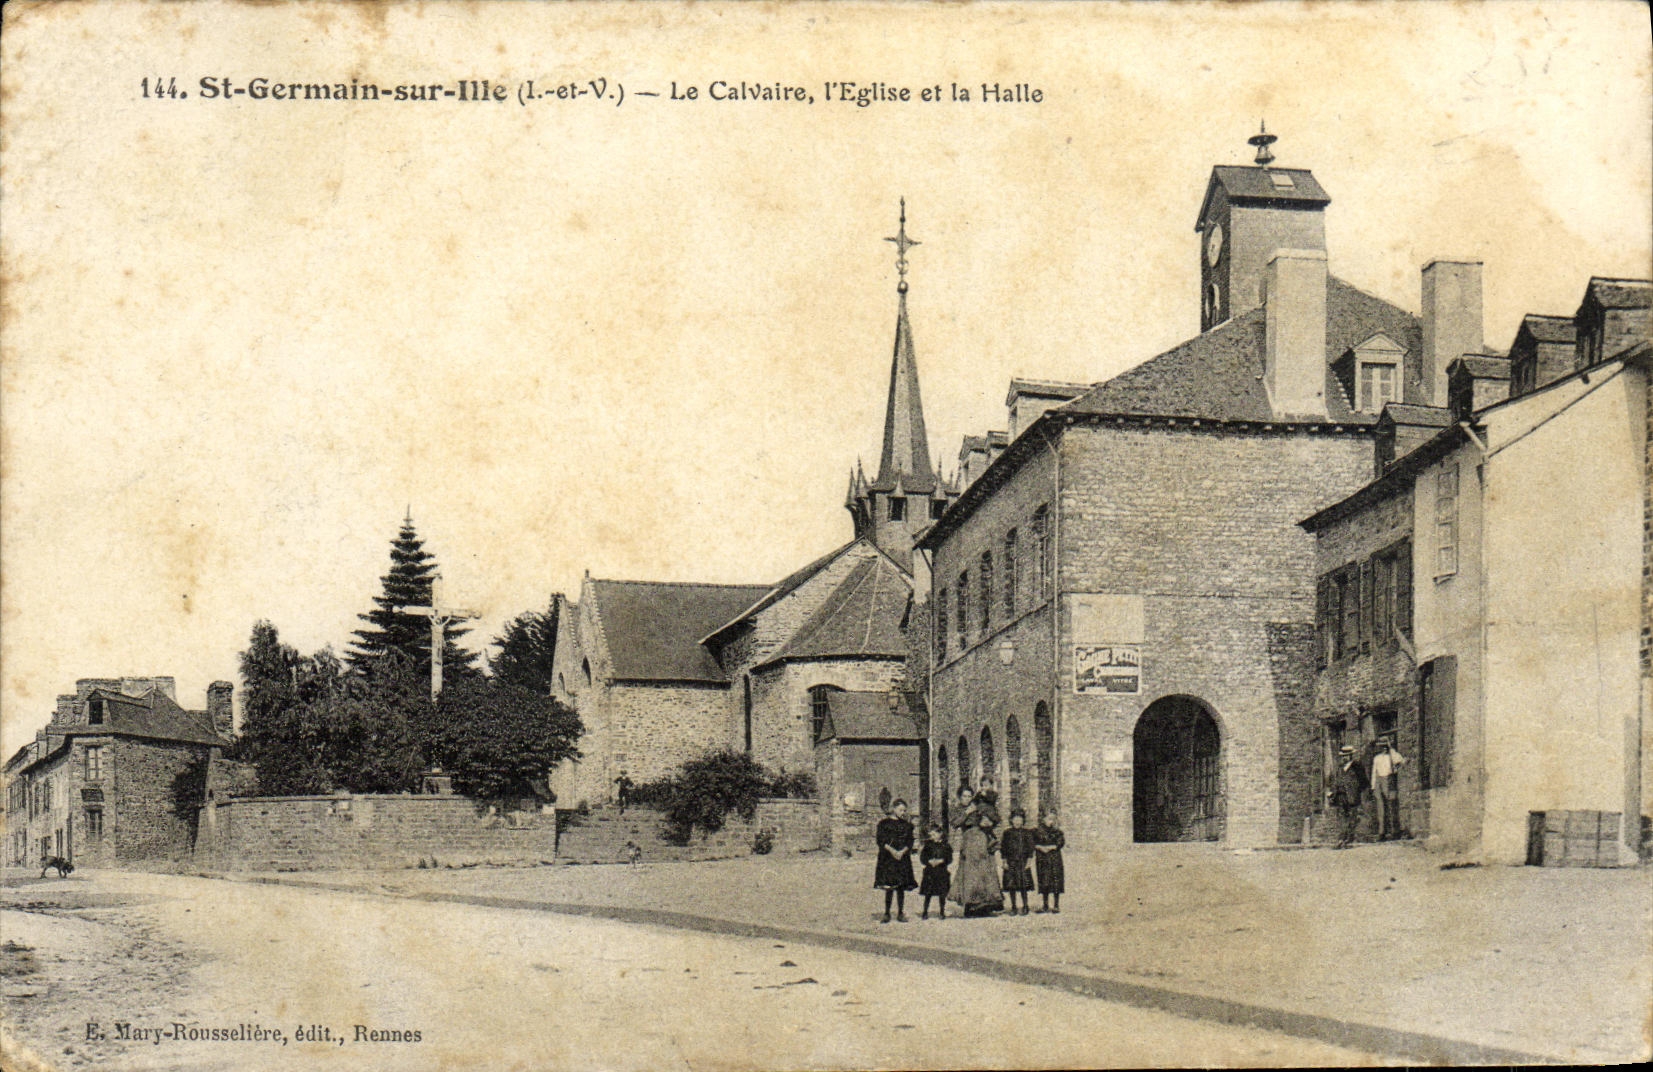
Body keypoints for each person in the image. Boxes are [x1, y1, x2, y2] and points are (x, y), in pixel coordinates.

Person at [952, 810, 1002, 916]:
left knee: (987, 884)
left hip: (986, 863)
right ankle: (971, 909)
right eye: (984, 819)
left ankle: (985, 908)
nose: (986, 822)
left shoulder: (988, 832)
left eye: (988, 820)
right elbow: (969, 848)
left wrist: (993, 847)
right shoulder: (972, 832)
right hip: (973, 863)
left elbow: (994, 845)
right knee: (973, 885)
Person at [874, 799, 917, 922]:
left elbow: (910, 841)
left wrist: (902, 852)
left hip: (902, 858)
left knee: (901, 886)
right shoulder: (884, 824)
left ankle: (900, 913)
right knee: (889, 886)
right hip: (888, 858)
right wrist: (893, 851)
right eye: (900, 810)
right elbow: (880, 840)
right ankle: (887, 913)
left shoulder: (906, 825)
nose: (903, 812)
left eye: (904, 810)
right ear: (894, 809)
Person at [999, 809, 1035, 916]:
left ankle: (1025, 906)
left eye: (1020, 819)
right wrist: (1004, 862)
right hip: (1011, 862)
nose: (1017, 822)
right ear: (1011, 820)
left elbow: (1030, 849)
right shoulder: (1007, 833)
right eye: (1015, 819)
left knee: (1023, 885)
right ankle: (1013, 906)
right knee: (1012, 885)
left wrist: (1029, 862)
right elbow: (1003, 848)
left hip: (1022, 862)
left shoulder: (1027, 833)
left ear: (1023, 821)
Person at [1370, 737, 1406, 840]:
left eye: (1385, 746)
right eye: (1382, 747)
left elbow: (1400, 761)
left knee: (1391, 806)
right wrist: (1373, 786)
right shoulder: (1377, 758)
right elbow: (1374, 772)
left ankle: (1395, 831)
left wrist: (1391, 749)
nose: (1384, 748)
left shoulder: (1392, 756)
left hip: (1389, 780)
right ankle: (1382, 833)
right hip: (1379, 781)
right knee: (1381, 808)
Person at [1330, 744, 1365, 849]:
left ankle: (1348, 839)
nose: (1344, 758)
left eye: (1346, 755)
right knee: (1342, 817)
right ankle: (1341, 839)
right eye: (1343, 756)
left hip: (1352, 796)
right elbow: (1335, 781)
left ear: (1350, 756)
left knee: (1352, 817)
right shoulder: (1340, 768)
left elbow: (1363, 781)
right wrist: (1333, 792)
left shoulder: (1357, 767)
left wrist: (1356, 791)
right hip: (1341, 795)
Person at [917, 824, 953, 920]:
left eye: (934, 834)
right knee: (928, 893)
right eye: (931, 835)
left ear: (940, 833)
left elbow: (950, 858)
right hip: (930, 872)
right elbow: (922, 858)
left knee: (942, 893)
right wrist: (929, 861)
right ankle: (925, 911)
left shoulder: (946, 845)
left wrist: (941, 861)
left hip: (941, 871)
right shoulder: (928, 845)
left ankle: (942, 911)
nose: (932, 837)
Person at [1032, 810, 1065, 913]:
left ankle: (1056, 905)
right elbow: (1032, 842)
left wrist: (1051, 847)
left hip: (1054, 858)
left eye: (1053, 819)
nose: (1051, 821)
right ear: (1043, 819)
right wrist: (1039, 847)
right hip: (1042, 858)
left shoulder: (1057, 832)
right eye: (1049, 819)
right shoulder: (1037, 831)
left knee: (1056, 880)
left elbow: (1060, 843)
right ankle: (1045, 905)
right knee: (1044, 881)